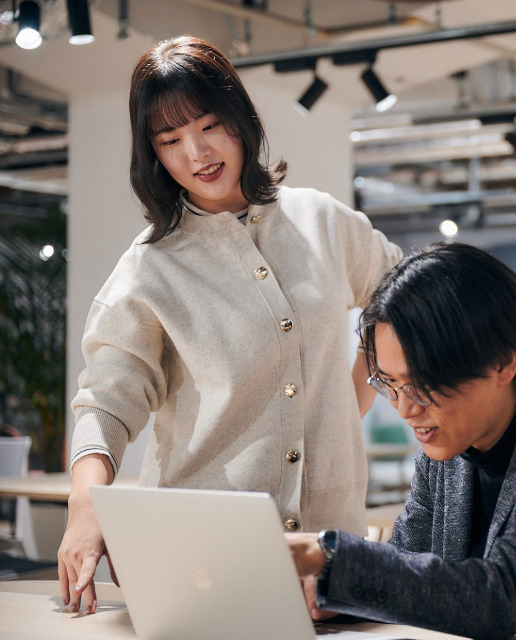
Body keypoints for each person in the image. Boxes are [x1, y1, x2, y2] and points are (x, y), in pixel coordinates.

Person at [59, 36, 401, 615]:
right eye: (170, 140)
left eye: (209, 125)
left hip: (328, 548)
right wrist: (85, 504)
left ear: (240, 120)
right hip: (203, 555)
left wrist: (355, 396)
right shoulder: (148, 270)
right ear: (153, 154)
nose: (197, 153)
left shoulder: (322, 221)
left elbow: (400, 296)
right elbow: (107, 404)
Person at [286, 243, 516, 640]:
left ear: (503, 362)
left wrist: (329, 558)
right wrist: (334, 596)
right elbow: (408, 566)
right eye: (390, 383)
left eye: (424, 384)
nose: (405, 409)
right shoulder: (448, 446)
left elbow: (509, 597)